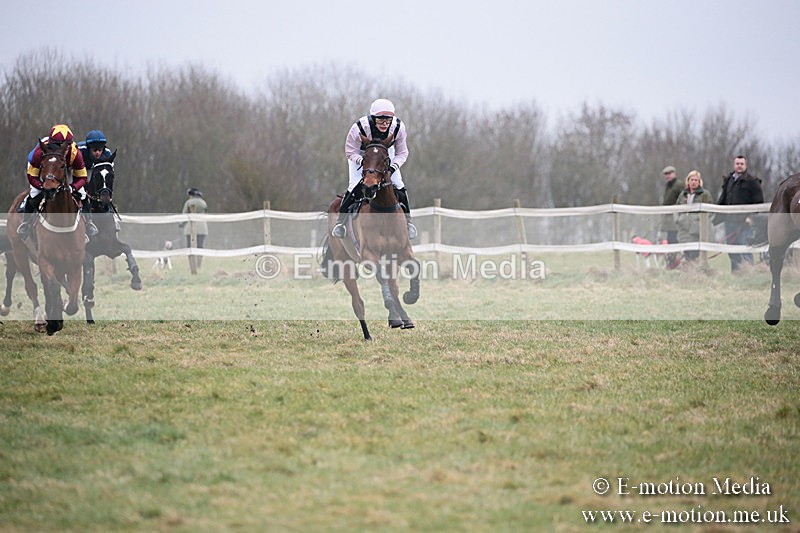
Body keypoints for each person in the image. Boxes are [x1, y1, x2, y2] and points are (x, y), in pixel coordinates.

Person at [332, 98, 417, 240]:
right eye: (380, 119)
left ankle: (408, 223)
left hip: (384, 154)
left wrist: (392, 168)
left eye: (387, 119)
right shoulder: (359, 127)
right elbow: (350, 151)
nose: (384, 123)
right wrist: (364, 162)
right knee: (354, 185)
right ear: (373, 118)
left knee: (399, 184)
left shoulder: (398, 127)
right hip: (361, 155)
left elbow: (402, 153)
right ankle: (340, 224)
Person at [17, 124, 96, 239]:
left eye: (64, 145)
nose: (61, 148)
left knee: (83, 194)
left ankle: (88, 224)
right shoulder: (40, 152)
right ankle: (26, 223)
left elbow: (82, 177)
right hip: (41, 167)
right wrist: (41, 186)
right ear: (50, 142)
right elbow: (32, 175)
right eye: (57, 145)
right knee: (35, 193)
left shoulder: (75, 153)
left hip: (63, 168)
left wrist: (74, 187)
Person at [713, 155, 764, 272]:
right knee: (732, 249)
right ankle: (736, 273)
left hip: (744, 222)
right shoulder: (729, 181)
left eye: (742, 164)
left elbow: (759, 202)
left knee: (745, 247)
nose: (739, 166)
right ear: (734, 165)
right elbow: (723, 199)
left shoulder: (752, 182)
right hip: (729, 221)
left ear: (745, 165)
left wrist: (751, 218)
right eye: (737, 163)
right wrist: (718, 214)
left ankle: (748, 272)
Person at [674, 170, 714, 262]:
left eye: (696, 180)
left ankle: (696, 273)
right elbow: (676, 208)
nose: (693, 182)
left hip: (696, 230)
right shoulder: (683, 194)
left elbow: (711, 210)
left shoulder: (705, 194)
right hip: (683, 229)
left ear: (699, 182)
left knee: (695, 254)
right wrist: (678, 219)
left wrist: (700, 218)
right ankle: (688, 274)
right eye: (692, 180)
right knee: (686, 254)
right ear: (688, 181)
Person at [658, 165, 683, 269]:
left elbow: (682, 199)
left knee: (674, 239)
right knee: (670, 240)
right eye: (666, 174)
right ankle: (672, 262)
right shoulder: (668, 185)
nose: (668, 176)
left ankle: (676, 261)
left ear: (674, 173)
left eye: (669, 173)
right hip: (668, 218)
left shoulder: (678, 185)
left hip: (675, 217)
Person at [179, 187, 208, 269]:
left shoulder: (188, 203)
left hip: (190, 229)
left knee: (190, 248)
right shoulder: (203, 203)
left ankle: (192, 266)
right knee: (200, 247)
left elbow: (184, 215)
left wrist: (181, 224)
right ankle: (198, 265)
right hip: (202, 229)